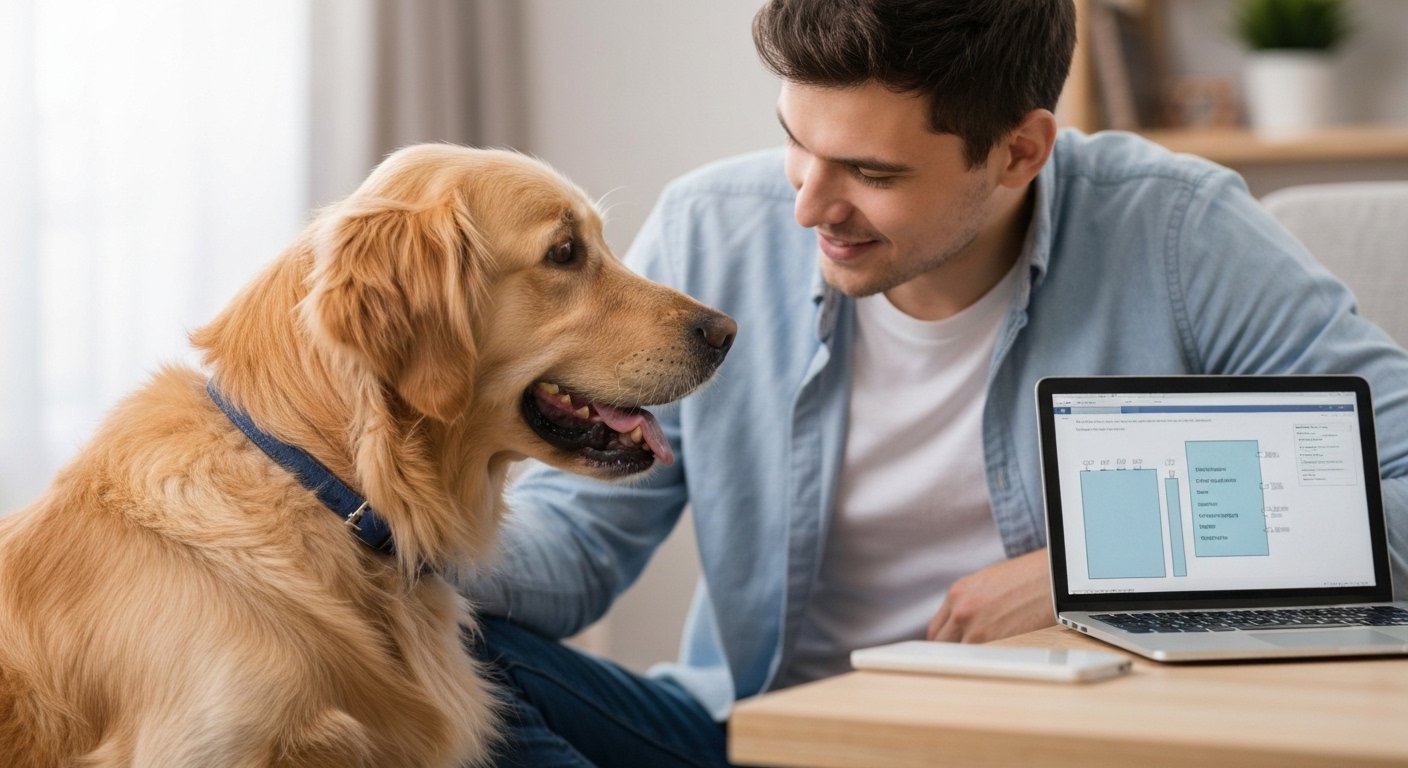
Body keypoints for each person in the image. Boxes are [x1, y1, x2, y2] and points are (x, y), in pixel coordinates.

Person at [459, 1, 1408, 765]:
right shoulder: (713, 226)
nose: (806, 204)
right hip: (756, 732)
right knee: (430, 645)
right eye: (796, 139)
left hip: (1042, 745)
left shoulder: (1176, 233)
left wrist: (1091, 579)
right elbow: (578, 545)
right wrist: (389, 538)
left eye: (870, 171)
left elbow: (1399, 485)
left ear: (1019, 152)